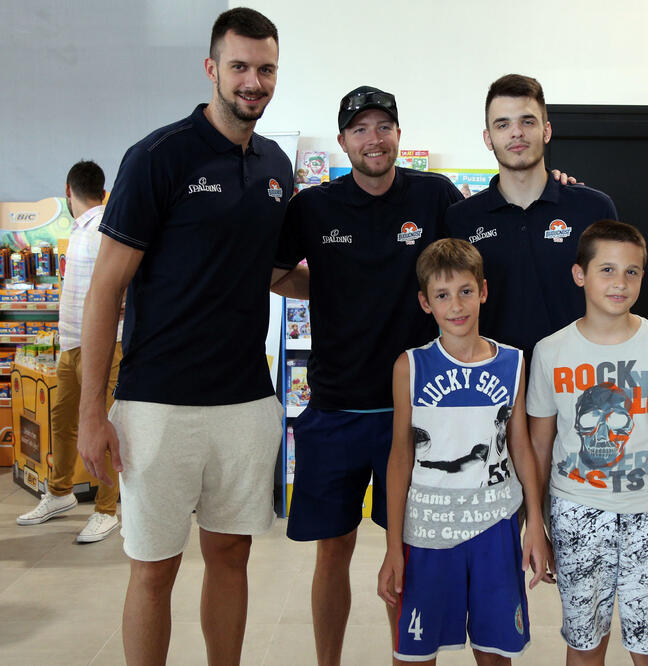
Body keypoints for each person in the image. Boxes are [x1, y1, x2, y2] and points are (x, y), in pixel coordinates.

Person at [77, 8, 297, 664]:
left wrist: (370, 280)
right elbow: (105, 290)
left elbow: (275, 272)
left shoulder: (276, 165)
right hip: (157, 404)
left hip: (245, 401)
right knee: (154, 567)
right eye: (239, 66)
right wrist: (92, 411)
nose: (253, 81)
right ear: (211, 68)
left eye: (265, 69)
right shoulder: (158, 156)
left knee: (231, 556)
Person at [272, 85, 465, 664]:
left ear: (398, 134)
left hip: (416, 412)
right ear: (342, 141)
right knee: (332, 552)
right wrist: (328, 289)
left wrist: (553, 182)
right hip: (334, 409)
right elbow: (275, 274)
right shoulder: (313, 207)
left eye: (383, 127)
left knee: (407, 554)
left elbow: (480, 247)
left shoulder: (434, 196)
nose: (373, 139)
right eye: (359, 129)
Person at [527, 220, 648, 665]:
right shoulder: (550, 351)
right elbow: (538, 447)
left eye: (632, 272)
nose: (620, 283)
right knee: (585, 645)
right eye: (607, 270)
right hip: (576, 513)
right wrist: (534, 524)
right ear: (580, 274)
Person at [377, 238, 553, 664]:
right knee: (415, 654)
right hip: (428, 530)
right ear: (425, 302)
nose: (456, 305)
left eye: (465, 291)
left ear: (483, 291)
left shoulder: (513, 362)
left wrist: (535, 523)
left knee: (495, 652)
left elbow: (520, 446)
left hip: (495, 526)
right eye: (442, 295)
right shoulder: (410, 366)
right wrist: (393, 546)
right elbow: (399, 458)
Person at [445, 74, 618, 359]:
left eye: (527, 121)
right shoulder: (461, 218)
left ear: (546, 131)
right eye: (503, 124)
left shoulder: (592, 208)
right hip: (493, 377)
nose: (516, 133)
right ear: (488, 138)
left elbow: (616, 298)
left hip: (577, 375)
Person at [16, 160, 123, 543]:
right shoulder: (81, 229)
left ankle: (106, 511)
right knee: (62, 422)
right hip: (72, 344)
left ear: (67, 190)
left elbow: (126, 279)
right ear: (102, 190)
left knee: (105, 426)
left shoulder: (104, 228)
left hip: (105, 345)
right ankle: (60, 492)